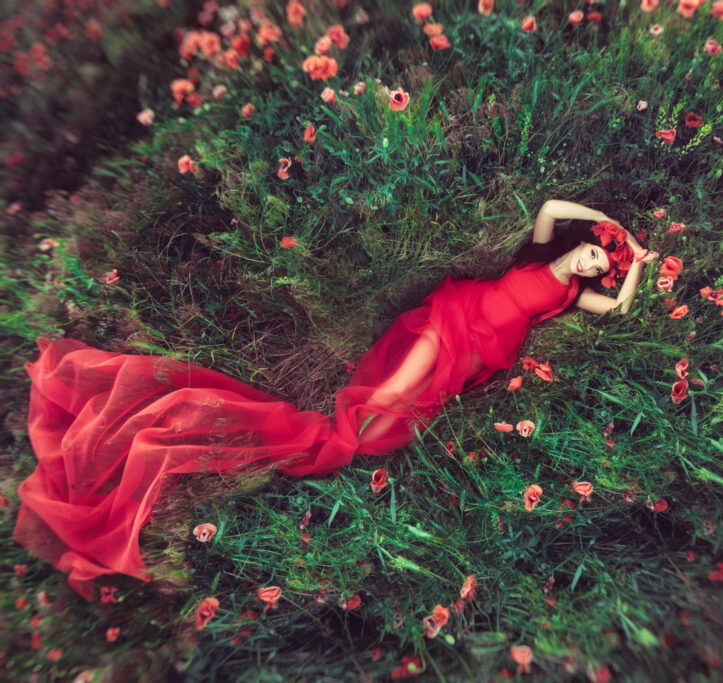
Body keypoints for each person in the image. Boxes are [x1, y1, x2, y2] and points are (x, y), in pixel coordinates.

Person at [13, 199, 657, 600]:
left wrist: (635, 263)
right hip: (459, 321)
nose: (594, 266)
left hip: (480, 351)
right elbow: (552, 208)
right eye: (592, 255)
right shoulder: (550, 253)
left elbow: (613, 302)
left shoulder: (577, 290)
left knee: (392, 421)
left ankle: (361, 422)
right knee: (398, 397)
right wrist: (597, 232)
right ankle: (368, 414)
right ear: (581, 242)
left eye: (602, 263)